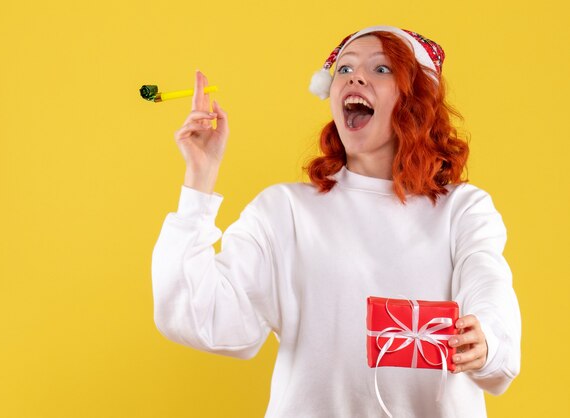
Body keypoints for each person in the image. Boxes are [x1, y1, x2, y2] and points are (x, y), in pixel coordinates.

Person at [152, 25, 521, 417]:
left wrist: (486, 341)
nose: (355, 77)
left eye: (381, 70)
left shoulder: (462, 210)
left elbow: (488, 287)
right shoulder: (285, 211)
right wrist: (200, 177)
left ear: (415, 101)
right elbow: (200, 317)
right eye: (344, 69)